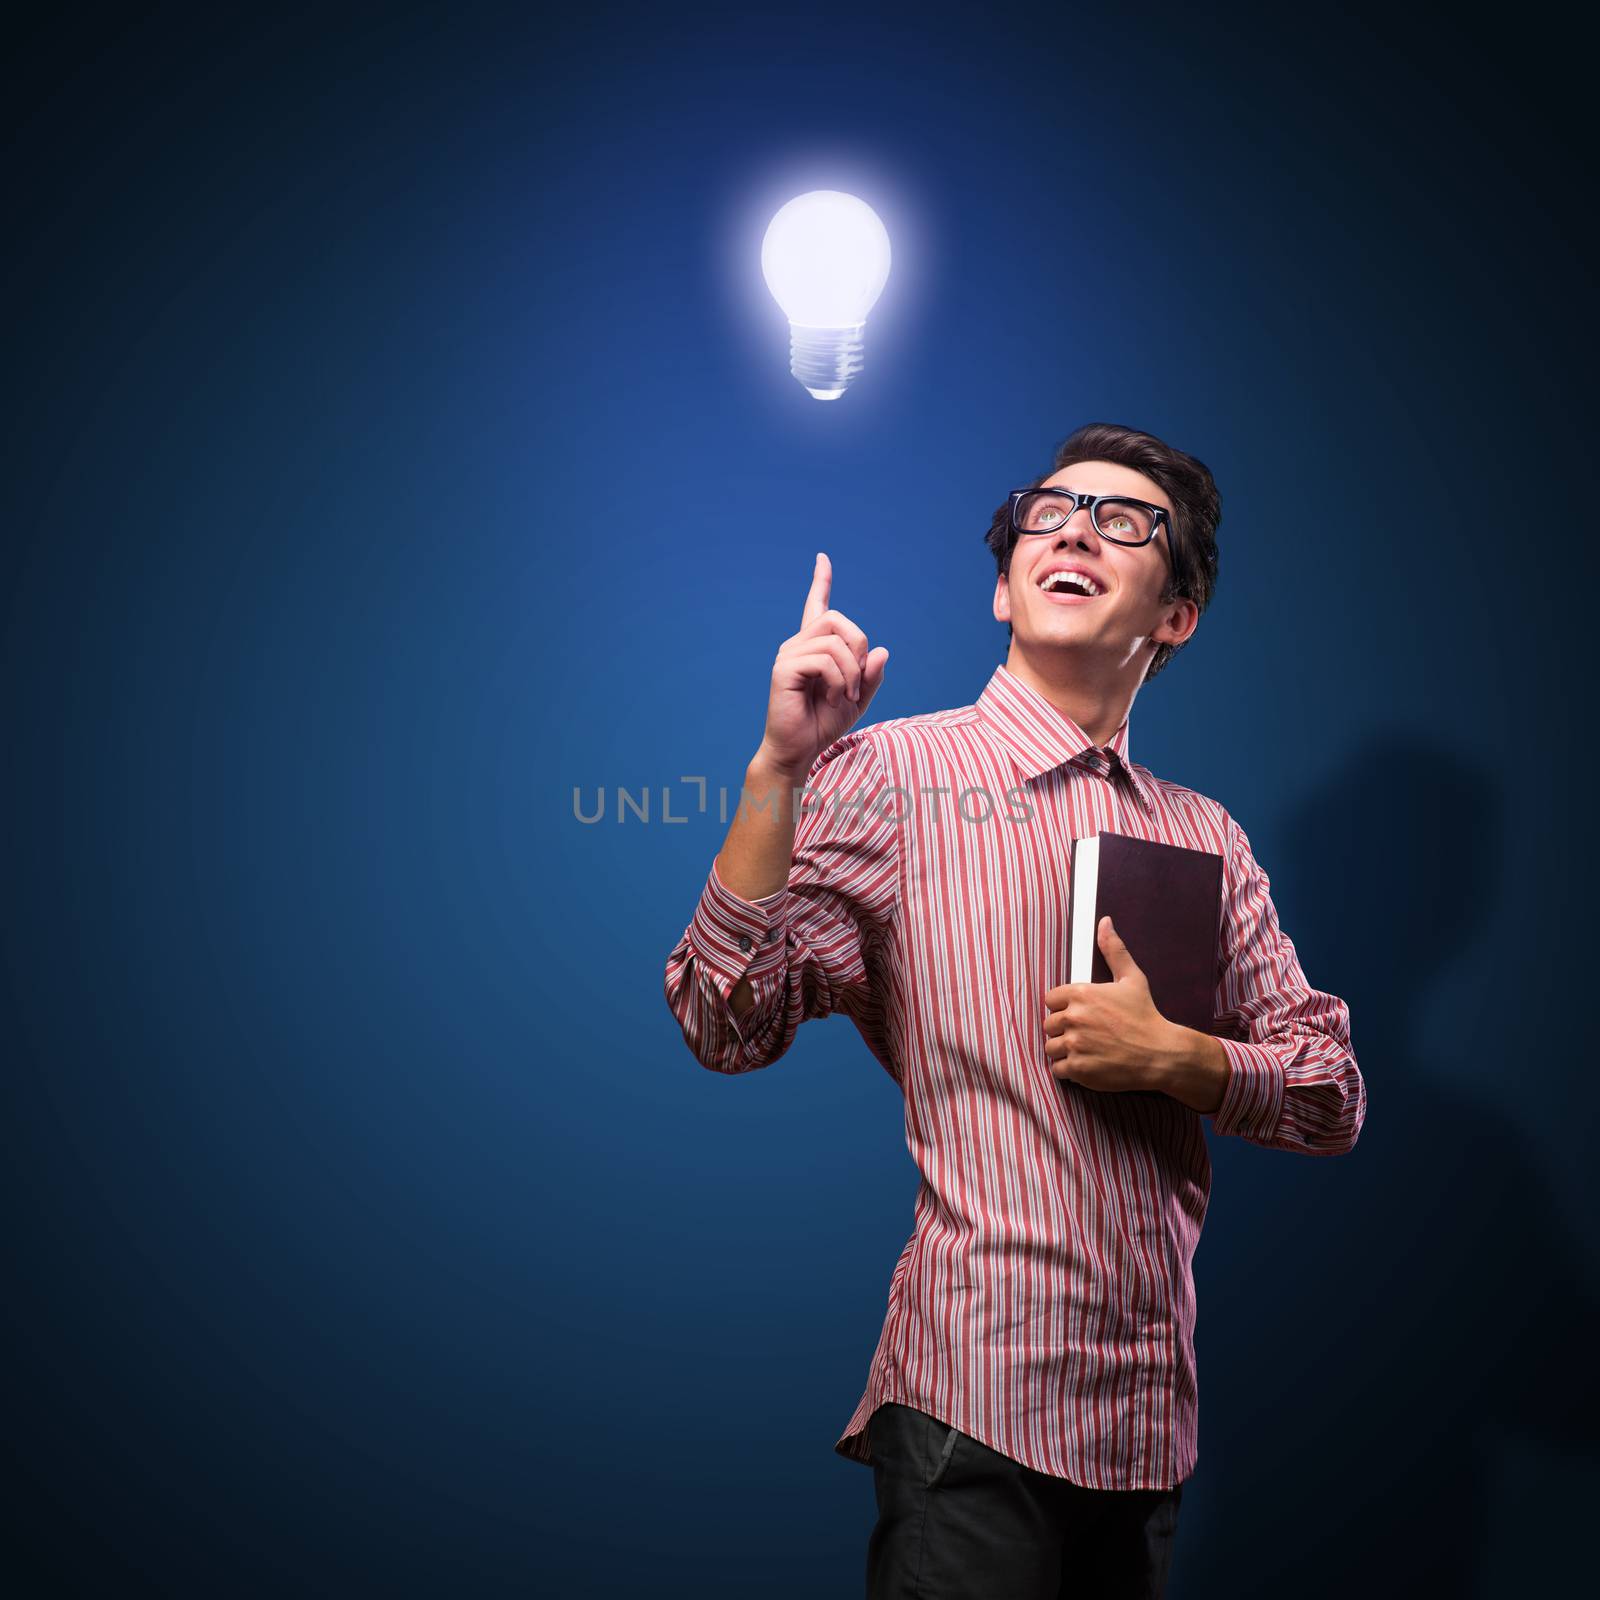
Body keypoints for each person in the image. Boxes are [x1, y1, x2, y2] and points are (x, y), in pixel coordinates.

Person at [662, 421, 1366, 1599]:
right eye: (1051, 511)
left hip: (1148, 1423)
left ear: (1175, 615)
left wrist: (1182, 1058)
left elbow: (1330, 1093)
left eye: (1126, 521)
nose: (1080, 526)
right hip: (973, 1404)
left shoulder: (1207, 838)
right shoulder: (888, 777)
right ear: (1002, 586)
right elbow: (722, 1021)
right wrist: (777, 774)